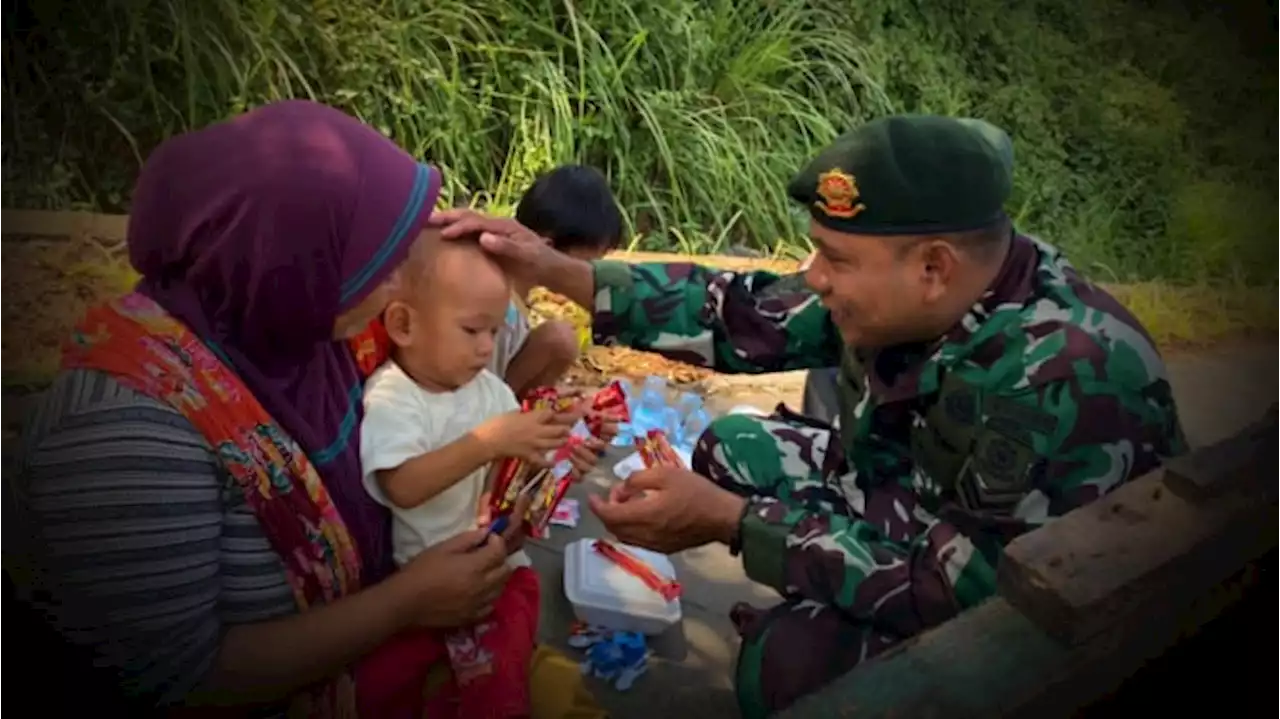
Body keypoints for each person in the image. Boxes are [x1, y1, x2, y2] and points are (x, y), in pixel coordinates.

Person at [428, 114, 1189, 718]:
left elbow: (967, 593)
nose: (815, 279)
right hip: (913, 507)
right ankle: (828, 592)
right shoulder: (933, 277)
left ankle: (829, 625)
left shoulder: (1063, 377)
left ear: (933, 269)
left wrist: (735, 524)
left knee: (783, 667)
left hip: (1027, 615)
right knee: (737, 445)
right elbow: (744, 313)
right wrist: (559, 270)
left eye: (835, 260)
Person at [8, 99, 606, 717]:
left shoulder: (306, 334)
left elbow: (453, 339)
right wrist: (407, 602)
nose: (399, 284)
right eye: (381, 264)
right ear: (298, 263)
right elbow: (175, 682)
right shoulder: (119, 436)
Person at [356, 241, 593, 718]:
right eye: (471, 330)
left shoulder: (492, 391)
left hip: (496, 570)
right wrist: (486, 442)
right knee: (378, 689)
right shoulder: (393, 397)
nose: (487, 348)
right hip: (415, 584)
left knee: (498, 681)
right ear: (404, 325)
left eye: (494, 330)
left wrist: (565, 449)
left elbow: (518, 465)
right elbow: (402, 485)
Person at [491, 164, 626, 398]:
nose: (586, 278)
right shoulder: (498, 307)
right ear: (545, 250)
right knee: (560, 338)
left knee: (562, 342)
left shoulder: (519, 293)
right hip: (470, 419)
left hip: (492, 399)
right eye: (585, 266)